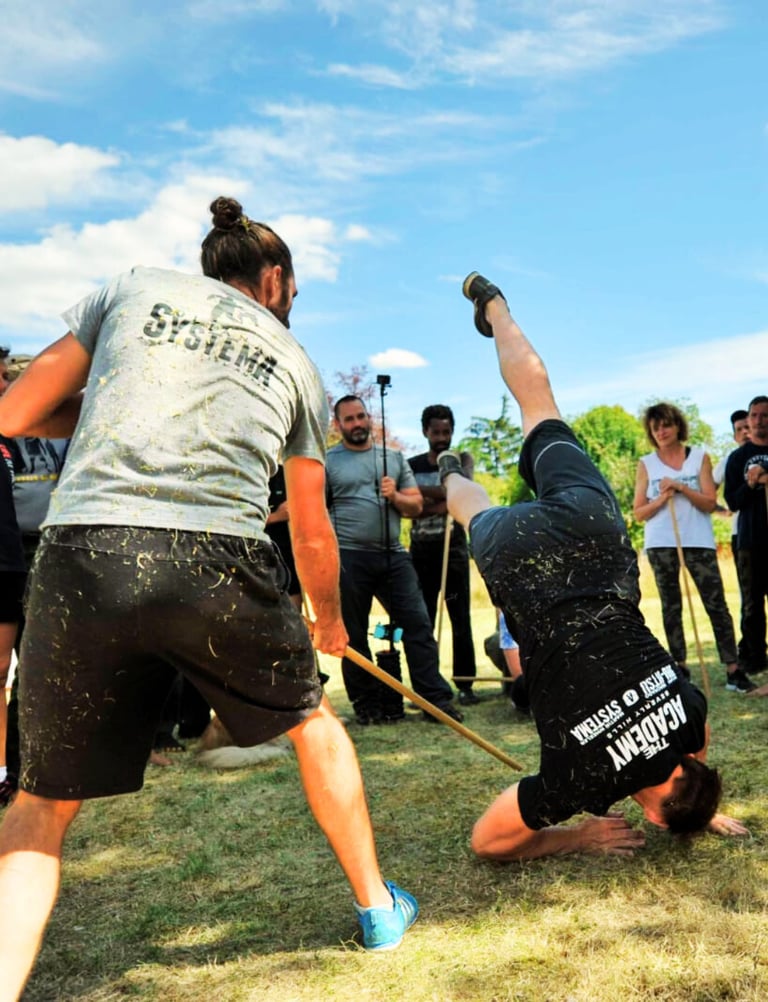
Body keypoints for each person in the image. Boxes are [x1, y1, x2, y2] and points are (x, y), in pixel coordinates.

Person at [0, 197, 417, 999]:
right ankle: (377, 908)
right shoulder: (295, 360)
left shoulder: (132, 287)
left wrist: (106, 413)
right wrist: (328, 622)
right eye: (293, 295)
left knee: (42, 800)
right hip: (214, 552)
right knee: (312, 724)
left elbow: (15, 411)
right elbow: (309, 525)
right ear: (275, 280)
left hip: (84, 546)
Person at [438, 272, 747, 861]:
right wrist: (576, 836)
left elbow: (694, 750)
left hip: (596, 541)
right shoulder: (582, 781)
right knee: (473, 507)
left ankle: (495, 308)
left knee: (540, 407)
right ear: (653, 820)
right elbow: (486, 843)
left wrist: (698, 802)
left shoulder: (691, 721)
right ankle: (452, 470)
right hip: (525, 568)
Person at [327, 396, 462, 725]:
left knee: (416, 625)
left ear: (369, 417)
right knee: (355, 635)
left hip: (393, 556)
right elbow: (318, 512)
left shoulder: (393, 458)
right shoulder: (328, 462)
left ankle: (435, 700)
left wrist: (395, 495)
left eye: (361, 416)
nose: (357, 423)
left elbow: (414, 507)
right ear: (338, 424)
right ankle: (368, 705)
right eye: (349, 419)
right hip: (349, 557)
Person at [632, 403, 748, 692]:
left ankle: (733, 668)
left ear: (677, 426)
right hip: (661, 542)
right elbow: (639, 512)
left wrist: (682, 488)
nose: (660, 431)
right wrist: (661, 498)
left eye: (666, 425)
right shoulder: (647, 463)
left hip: (698, 540)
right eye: (655, 427)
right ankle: (679, 668)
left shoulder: (699, 458)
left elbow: (710, 503)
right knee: (671, 607)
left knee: (716, 604)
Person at [408, 404, 479, 705]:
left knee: (460, 617)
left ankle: (465, 684)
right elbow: (409, 504)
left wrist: (435, 496)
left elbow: (465, 494)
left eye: (446, 431)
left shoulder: (461, 460)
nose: (441, 437)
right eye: (436, 432)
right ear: (425, 431)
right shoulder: (411, 464)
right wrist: (447, 494)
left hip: (454, 548)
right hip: (422, 549)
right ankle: (428, 686)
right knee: (422, 620)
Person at [724, 395, 768, 679]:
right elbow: (732, 501)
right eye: (754, 415)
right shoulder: (738, 458)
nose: (758, 420)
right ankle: (755, 658)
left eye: (765, 415)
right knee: (752, 603)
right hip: (751, 540)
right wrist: (752, 483)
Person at [0, 350, 25, 808]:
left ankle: (3, 769)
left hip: (10, 563)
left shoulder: (7, 438)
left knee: (2, 672)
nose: (4, 384)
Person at [713, 409, 752, 671]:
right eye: (740, 429)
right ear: (734, 434)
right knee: (749, 598)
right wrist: (721, 511)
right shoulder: (730, 459)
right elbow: (707, 489)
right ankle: (751, 652)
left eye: (748, 427)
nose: (746, 433)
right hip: (744, 535)